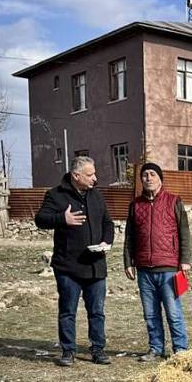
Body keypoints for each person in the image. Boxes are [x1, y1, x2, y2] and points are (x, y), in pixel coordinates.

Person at [34, 155, 114, 366]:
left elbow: (108, 223)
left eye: (94, 173)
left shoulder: (96, 196)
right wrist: (63, 219)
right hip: (68, 267)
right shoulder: (55, 195)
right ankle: (68, 351)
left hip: (95, 265)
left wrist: (107, 241)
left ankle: (98, 349)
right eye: (90, 175)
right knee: (68, 311)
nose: (95, 178)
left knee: (97, 311)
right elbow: (40, 220)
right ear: (75, 175)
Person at [124, 162, 191, 361]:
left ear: (160, 178)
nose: (148, 178)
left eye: (153, 174)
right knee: (150, 314)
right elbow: (130, 237)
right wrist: (128, 262)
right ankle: (156, 349)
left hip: (169, 268)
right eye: (145, 175)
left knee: (173, 312)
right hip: (144, 270)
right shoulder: (135, 205)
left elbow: (184, 233)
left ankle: (180, 350)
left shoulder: (174, 201)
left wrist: (185, 260)